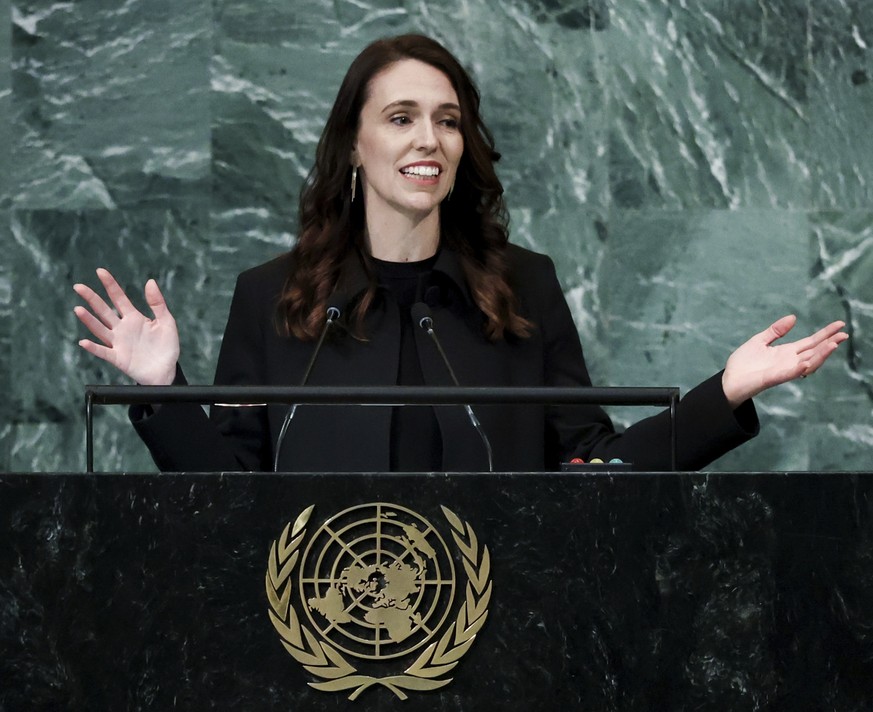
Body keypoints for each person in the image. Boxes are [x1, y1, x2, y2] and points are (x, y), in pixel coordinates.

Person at [73, 34, 848, 473]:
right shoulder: (270, 297)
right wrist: (163, 389)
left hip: (501, 639)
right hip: (318, 643)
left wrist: (724, 394)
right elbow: (231, 493)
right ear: (353, 144)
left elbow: (591, 473)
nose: (427, 140)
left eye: (446, 120)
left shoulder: (525, 287)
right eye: (401, 117)